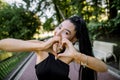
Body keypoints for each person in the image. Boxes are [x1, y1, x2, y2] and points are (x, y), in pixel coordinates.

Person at [0, 16, 107, 80]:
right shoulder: (40, 46)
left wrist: (77, 55)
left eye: (66, 32)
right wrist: (42, 45)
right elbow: (3, 44)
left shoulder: (70, 54)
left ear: (73, 40)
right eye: (59, 27)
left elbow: (103, 68)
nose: (58, 32)